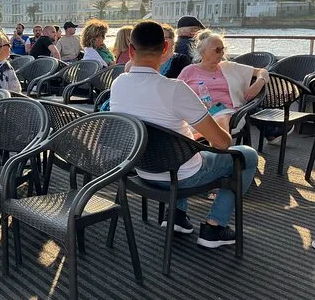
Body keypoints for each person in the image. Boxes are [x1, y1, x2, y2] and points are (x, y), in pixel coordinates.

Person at [110, 20, 258, 248]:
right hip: (181, 176)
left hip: (140, 169)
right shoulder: (175, 89)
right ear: (165, 49)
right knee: (246, 155)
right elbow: (222, 143)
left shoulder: (118, 83)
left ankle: (177, 215)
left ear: (130, 50)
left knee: (180, 147)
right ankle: (214, 227)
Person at [177, 30, 268, 133]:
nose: (222, 53)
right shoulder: (189, 71)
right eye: (218, 50)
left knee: (220, 120)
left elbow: (262, 71)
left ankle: (212, 140)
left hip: (227, 112)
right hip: (197, 113)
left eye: (222, 49)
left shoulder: (229, 67)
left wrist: (258, 83)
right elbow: (175, 93)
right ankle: (208, 140)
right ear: (203, 52)